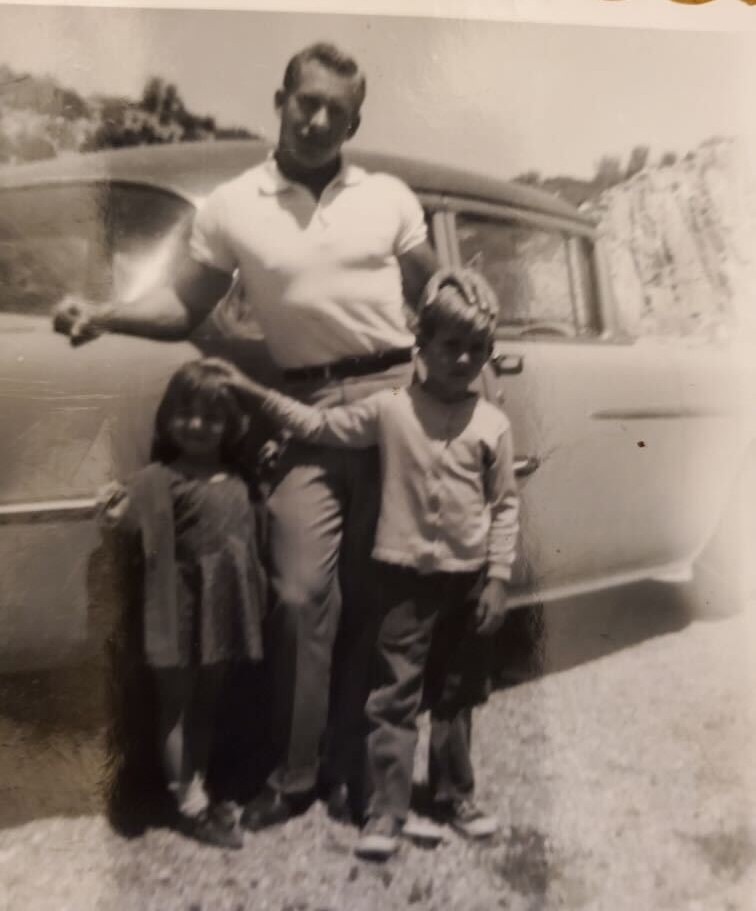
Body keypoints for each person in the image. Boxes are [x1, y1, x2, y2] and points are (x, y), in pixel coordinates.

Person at [52, 42, 437, 828]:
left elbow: (435, 292)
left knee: (380, 593)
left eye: (336, 110)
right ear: (280, 101)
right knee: (296, 593)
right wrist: (105, 313)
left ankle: (357, 770)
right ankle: (294, 775)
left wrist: (457, 389)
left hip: (396, 397)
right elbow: (183, 305)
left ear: (354, 122)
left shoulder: (389, 197)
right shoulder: (233, 205)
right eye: (307, 102)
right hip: (303, 404)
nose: (318, 119)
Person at [214, 267, 519, 860]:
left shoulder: (493, 424)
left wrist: (499, 577)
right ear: (419, 344)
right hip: (404, 581)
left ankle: (456, 795)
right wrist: (252, 394)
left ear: (488, 353)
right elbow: (319, 425)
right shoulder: (391, 409)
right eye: (450, 345)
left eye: (476, 349)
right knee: (393, 695)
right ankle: (387, 809)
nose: (462, 359)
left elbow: (504, 505)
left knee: (456, 695)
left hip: (467, 582)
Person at [95, 359, 267, 849]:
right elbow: (125, 519)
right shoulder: (158, 479)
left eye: (212, 416)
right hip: (176, 612)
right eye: (186, 412)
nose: (197, 424)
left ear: (232, 424)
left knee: (207, 702)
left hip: (221, 611)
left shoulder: (239, 477)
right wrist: (113, 508)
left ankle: (198, 784)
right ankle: (187, 804)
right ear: (168, 417)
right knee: (175, 705)